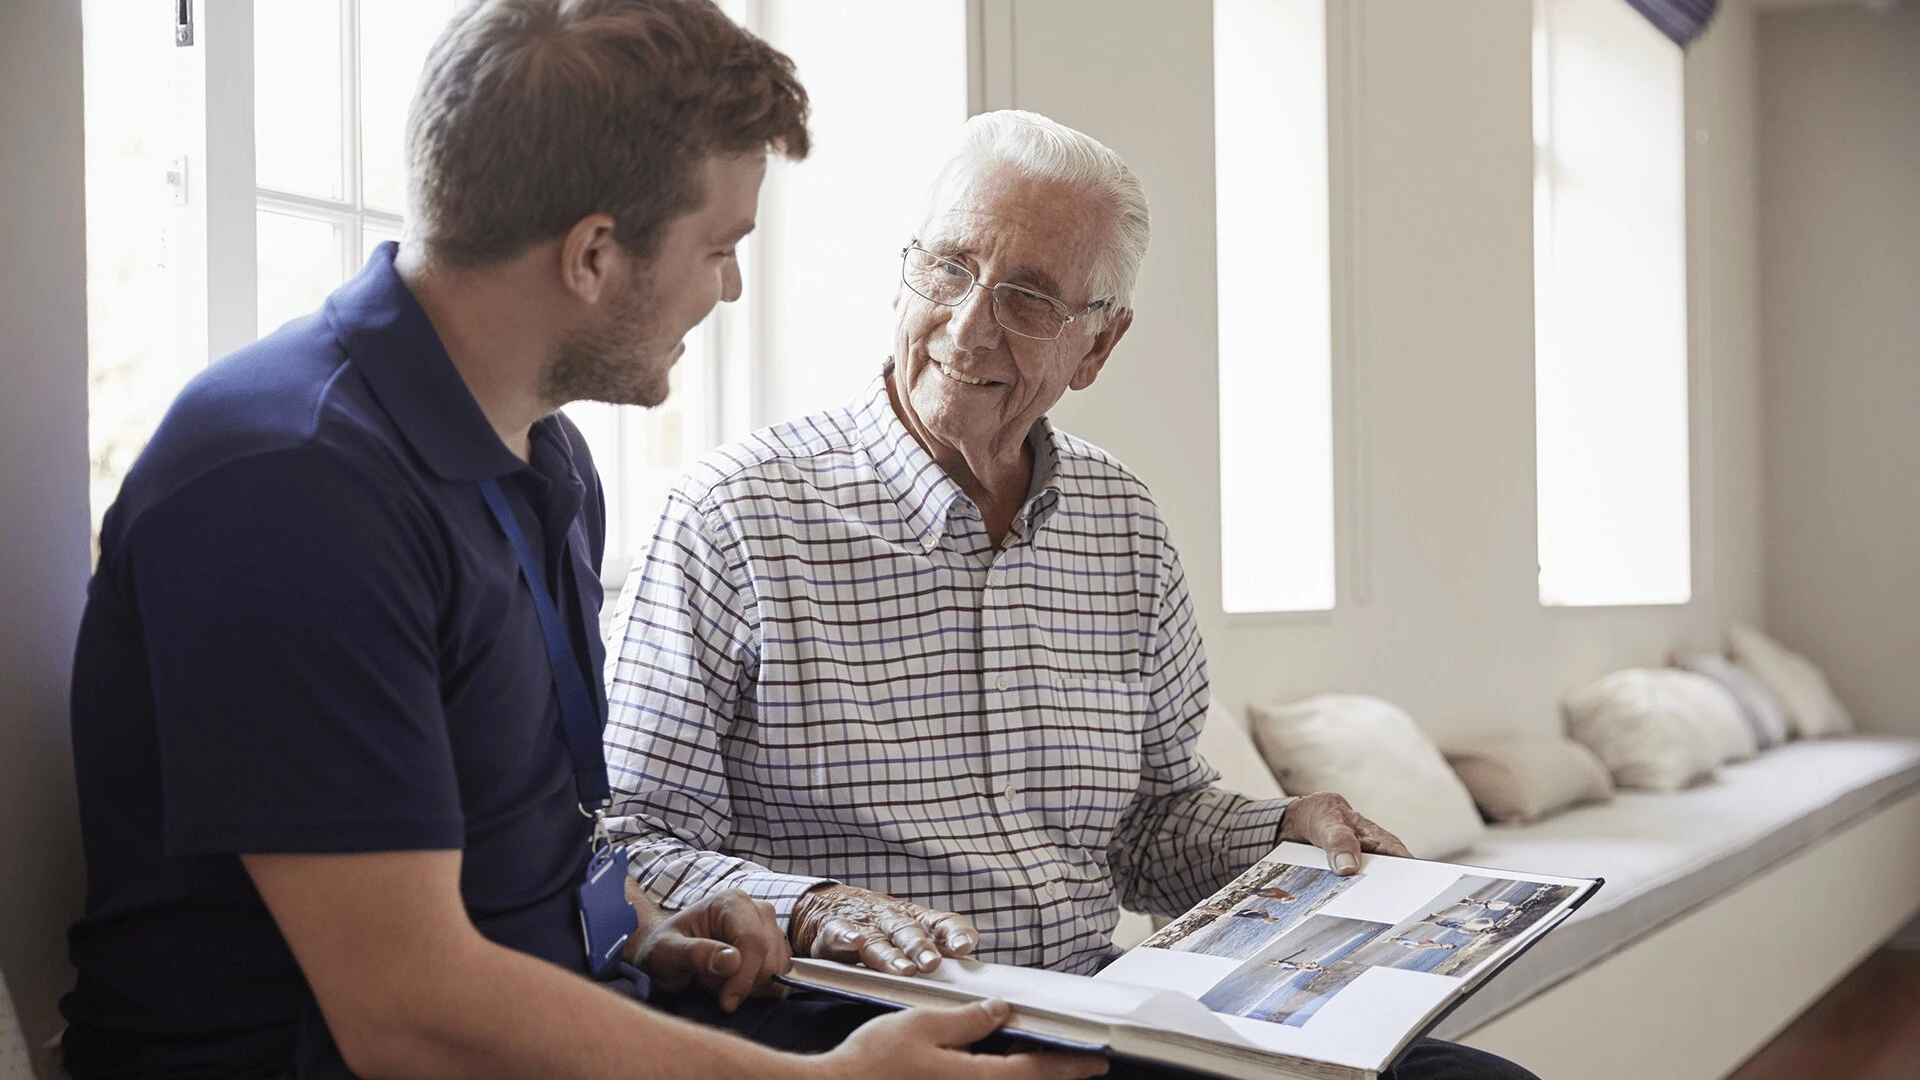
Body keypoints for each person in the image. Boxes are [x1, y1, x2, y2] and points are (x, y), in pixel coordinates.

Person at [58, 4, 1104, 1079]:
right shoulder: (290, 487)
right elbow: (405, 1014)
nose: (731, 287)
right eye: (720, 248)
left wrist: (645, 932)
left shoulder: (540, 456)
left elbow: (532, 850)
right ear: (596, 256)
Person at [602, 109, 1536, 1080]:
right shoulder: (735, 515)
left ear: (1099, 347)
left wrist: (1281, 832)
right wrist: (813, 906)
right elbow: (628, 844)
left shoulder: (1124, 525)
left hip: (1097, 1009)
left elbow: (1152, 826)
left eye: (1030, 299)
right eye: (950, 268)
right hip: (848, 1024)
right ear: (904, 269)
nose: (969, 326)